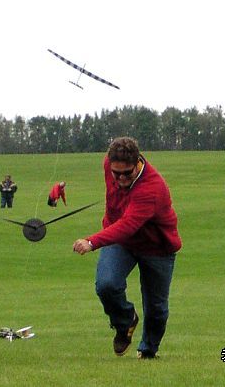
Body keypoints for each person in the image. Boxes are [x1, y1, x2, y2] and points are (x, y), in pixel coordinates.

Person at [72, 136, 181, 360]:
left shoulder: (152, 187)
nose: (120, 178)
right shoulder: (109, 165)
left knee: (156, 307)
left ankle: (148, 350)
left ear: (137, 163)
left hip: (156, 247)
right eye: (116, 173)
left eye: (127, 173)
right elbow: (120, 225)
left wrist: (92, 242)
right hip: (121, 242)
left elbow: (128, 225)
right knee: (106, 284)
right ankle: (125, 322)